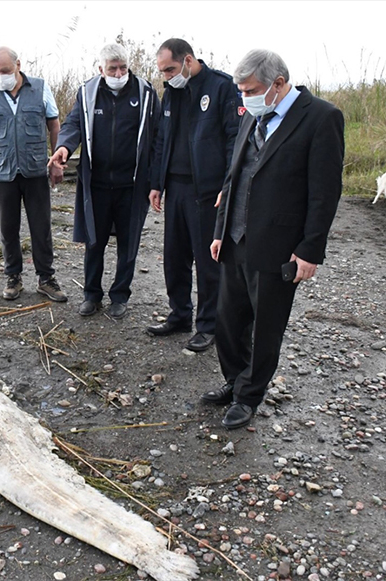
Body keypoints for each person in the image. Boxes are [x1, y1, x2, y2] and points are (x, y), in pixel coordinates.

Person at [202, 49, 345, 429]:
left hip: (278, 245)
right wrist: (220, 231)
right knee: (228, 322)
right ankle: (234, 381)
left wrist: (310, 249)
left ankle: (249, 396)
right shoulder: (254, 115)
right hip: (235, 240)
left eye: (250, 90)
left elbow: (325, 191)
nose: (244, 98)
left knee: (266, 326)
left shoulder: (321, 118)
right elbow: (235, 177)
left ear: (278, 85)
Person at [48, 43, 160, 319]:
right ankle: (91, 294)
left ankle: (120, 295)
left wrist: (156, 181)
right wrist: (63, 148)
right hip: (96, 184)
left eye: (123, 67)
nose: (119, 73)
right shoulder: (87, 92)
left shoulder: (145, 93)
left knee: (128, 243)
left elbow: (157, 138)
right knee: (94, 242)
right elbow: (74, 124)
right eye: (113, 68)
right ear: (101, 69)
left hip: (132, 185)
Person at [146, 38, 240, 352]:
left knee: (208, 261)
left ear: (188, 60)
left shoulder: (221, 87)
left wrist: (228, 187)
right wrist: (156, 182)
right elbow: (161, 139)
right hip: (176, 189)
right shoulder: (170, 93)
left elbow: (233, 141)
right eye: (162, 71)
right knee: (175, 257)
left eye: (171, 69)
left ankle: (209, 325)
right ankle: (179, 315)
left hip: (207, 192)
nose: (167, 76)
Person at [0, 46, 67, 303]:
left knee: (41, 226)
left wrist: (56, 163)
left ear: (18, 65)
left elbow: (54, 125)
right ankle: (13, 277)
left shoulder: (40, 88)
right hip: (3, 174)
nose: (0, 75)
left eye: (5, 70)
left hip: (35, 170)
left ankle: (46, 278)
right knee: (7, 228)